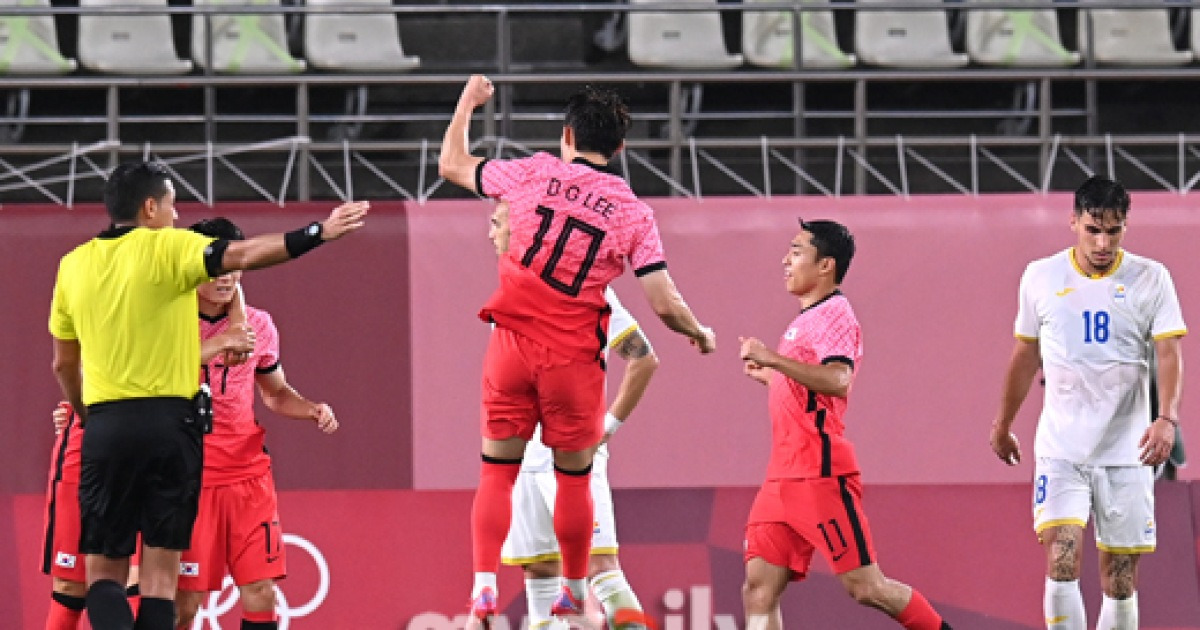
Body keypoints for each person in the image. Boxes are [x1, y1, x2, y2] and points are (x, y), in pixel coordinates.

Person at [438, 75, 716, 625]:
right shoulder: (634, 214)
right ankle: (572, 586)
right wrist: (697, 331)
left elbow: (452, 164)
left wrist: (469, 102)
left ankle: (484, 588)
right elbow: (662, 301)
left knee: (496, 470)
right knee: (575, 475)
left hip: (512, 347)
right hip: (572, 363)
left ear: (567, 136)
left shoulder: (534, 172)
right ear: (620, 149)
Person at [48, 160, 366, 630]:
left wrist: (83, 412)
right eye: (173, 206)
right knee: (161, 579)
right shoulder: (173, 250)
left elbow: (63, 364)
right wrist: (319, 231)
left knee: (103, 575)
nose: (177, 217)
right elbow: (248, 255)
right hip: (174, 427)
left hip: (109, 425)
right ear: (150, 207)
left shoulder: (72, 266)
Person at [989, 175, 1185, 630]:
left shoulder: (1150, 278)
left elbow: (1169, 352)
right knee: (1062, 555)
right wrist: (1002, 423)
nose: (1102, 242)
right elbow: (1025, 354)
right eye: (1093, 229)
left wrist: (1166, 418)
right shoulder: (1040, 276)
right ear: (1073, 221)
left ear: (1125, 228)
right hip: (1062, 450)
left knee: (1120, 578)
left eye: (1113, 231)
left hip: (1127, 450)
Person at [738, 219, 952, 630]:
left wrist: (773, 360)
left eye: (797, 251)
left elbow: (838, 380)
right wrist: (772, 376)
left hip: (818, 473)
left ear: (825, 265)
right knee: (758, 588)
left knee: (866, 587)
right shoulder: (805, 318)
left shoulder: (836, 314)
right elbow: (807, 385)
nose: (785, 259)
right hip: (781, 475)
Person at [487, 202, 659, 630]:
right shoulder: (509, 291)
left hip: (570, 457)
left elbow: (643, 358)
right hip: (524, 461)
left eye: (496, 223)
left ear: (522, 228)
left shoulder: (582, 284)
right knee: (540, 575)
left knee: (601, 568)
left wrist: (607, 428)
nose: (490, 233)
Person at [173, 217, 340, 630]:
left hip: (247, 475)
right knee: (185, 603)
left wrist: (311, 408)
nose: (226, 277)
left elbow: (275, 393)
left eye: (235, 265)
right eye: (218, 266)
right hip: (187, 475)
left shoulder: (259, 326)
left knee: (261, 591)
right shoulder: (167, 322)